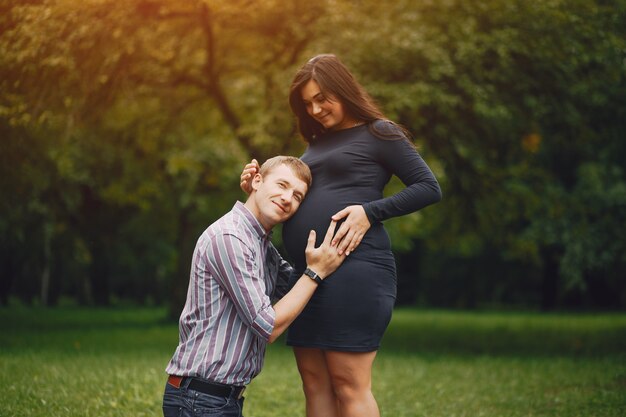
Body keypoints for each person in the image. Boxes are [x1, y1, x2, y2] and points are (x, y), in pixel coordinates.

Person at [240, 54, 442, 417]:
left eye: (322, 98)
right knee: (314, 384)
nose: (315, 109)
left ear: (343, 90)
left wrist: (370, 211)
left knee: (349, 384)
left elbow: (429, 187)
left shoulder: (380, 133)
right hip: (308, 276)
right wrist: (256, 190)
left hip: (356, 269)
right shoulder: (316, 144)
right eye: (307, 103)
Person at [163, 155, 347, 417]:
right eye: (282, 185)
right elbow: (267, 325)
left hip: (221, 398)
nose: (287, 198)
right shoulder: (230, 238)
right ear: (257, 181)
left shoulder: (259, 243)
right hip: (199, 399)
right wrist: (315, 271)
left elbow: (292, 286)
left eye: (297, 196)